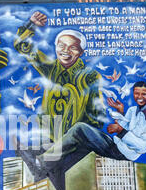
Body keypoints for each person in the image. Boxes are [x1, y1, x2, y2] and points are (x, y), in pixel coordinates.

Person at [20, 81, 146, 175]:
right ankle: (47, 166)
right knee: (79, 133)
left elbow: (142, 147)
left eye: (143, 94)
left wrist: (120, 130)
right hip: (116, 145)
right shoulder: (133, 110)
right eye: (137, 93)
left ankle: (42, 164)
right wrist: (120, 112)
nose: (139, 97)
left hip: (123, 154)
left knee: (80, 130)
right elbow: (125, 128)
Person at [14, 11, 106, 139]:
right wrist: (31, 25)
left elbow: (96, 112)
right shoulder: (49, 67)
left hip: (75, 141)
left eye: (72, 47)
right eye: (61, 46)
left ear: (80, 52)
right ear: (56, 47)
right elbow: (22, 45)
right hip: (48, 138)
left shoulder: (90, 76)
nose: (65, 51)